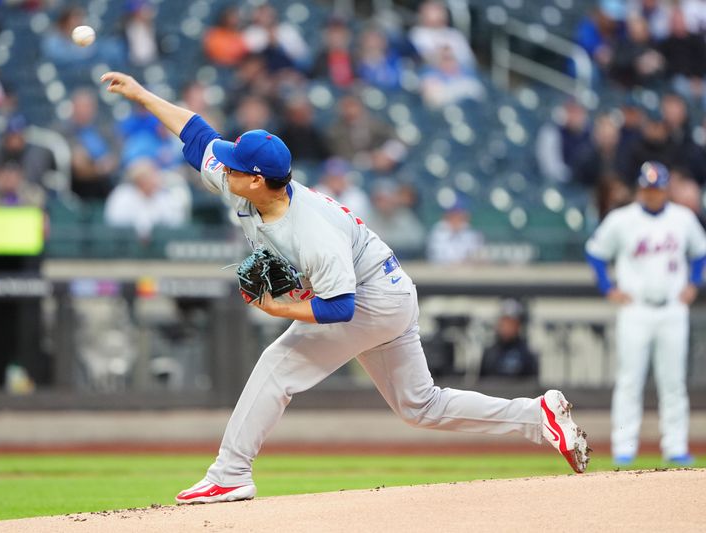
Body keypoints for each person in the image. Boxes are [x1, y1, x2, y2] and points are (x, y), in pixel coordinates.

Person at [100, 69, 591, 505]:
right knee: (421, 406)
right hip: (389, 289)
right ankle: (538, 415)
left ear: (256, 179)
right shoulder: (242, 182)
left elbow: (339, 309)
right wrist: (141, 93)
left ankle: (230, 474)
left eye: (234, 165)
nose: (222, 166)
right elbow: (195, 134)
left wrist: (280, 309)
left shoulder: (310, 232)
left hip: (372, 295)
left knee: (278, 364)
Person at [585, 161, 706, 467]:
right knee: (629, 380)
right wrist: (607, 287)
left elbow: (700, 252)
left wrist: (694, 283)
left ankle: (675, 447)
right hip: (635, 308)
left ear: (665, 189)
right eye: (648, 189)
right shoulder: (622, 219)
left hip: (671, 307)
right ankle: (623, 448)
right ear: (641, 189)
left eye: (657, 189)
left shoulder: (682, 218)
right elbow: (596, 251)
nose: (652, 195)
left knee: (674, 382)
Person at [104, 158, 192, 239]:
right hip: (125, 246)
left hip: (158, 246)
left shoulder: (162, 196)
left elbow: (176, 222)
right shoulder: (122, 195)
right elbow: (116, 224)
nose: (157, 179)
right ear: (141, 180)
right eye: (152, 176)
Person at [479, 299, 538, 379]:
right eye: (504, 322)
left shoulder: (527, 354)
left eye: (511, 323)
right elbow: (480, 383)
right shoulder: (489, 353)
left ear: (517, 325)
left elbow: (532, 384)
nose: (507, 327)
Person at [426, 199, 483, 264]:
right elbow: (437, 257)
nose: (456, 218)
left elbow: (476, 255)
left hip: (464, 270)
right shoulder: (438, 230)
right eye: (453, 215)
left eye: (460, 215)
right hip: (440, 270)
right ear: (447, 215)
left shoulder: (470, 232)